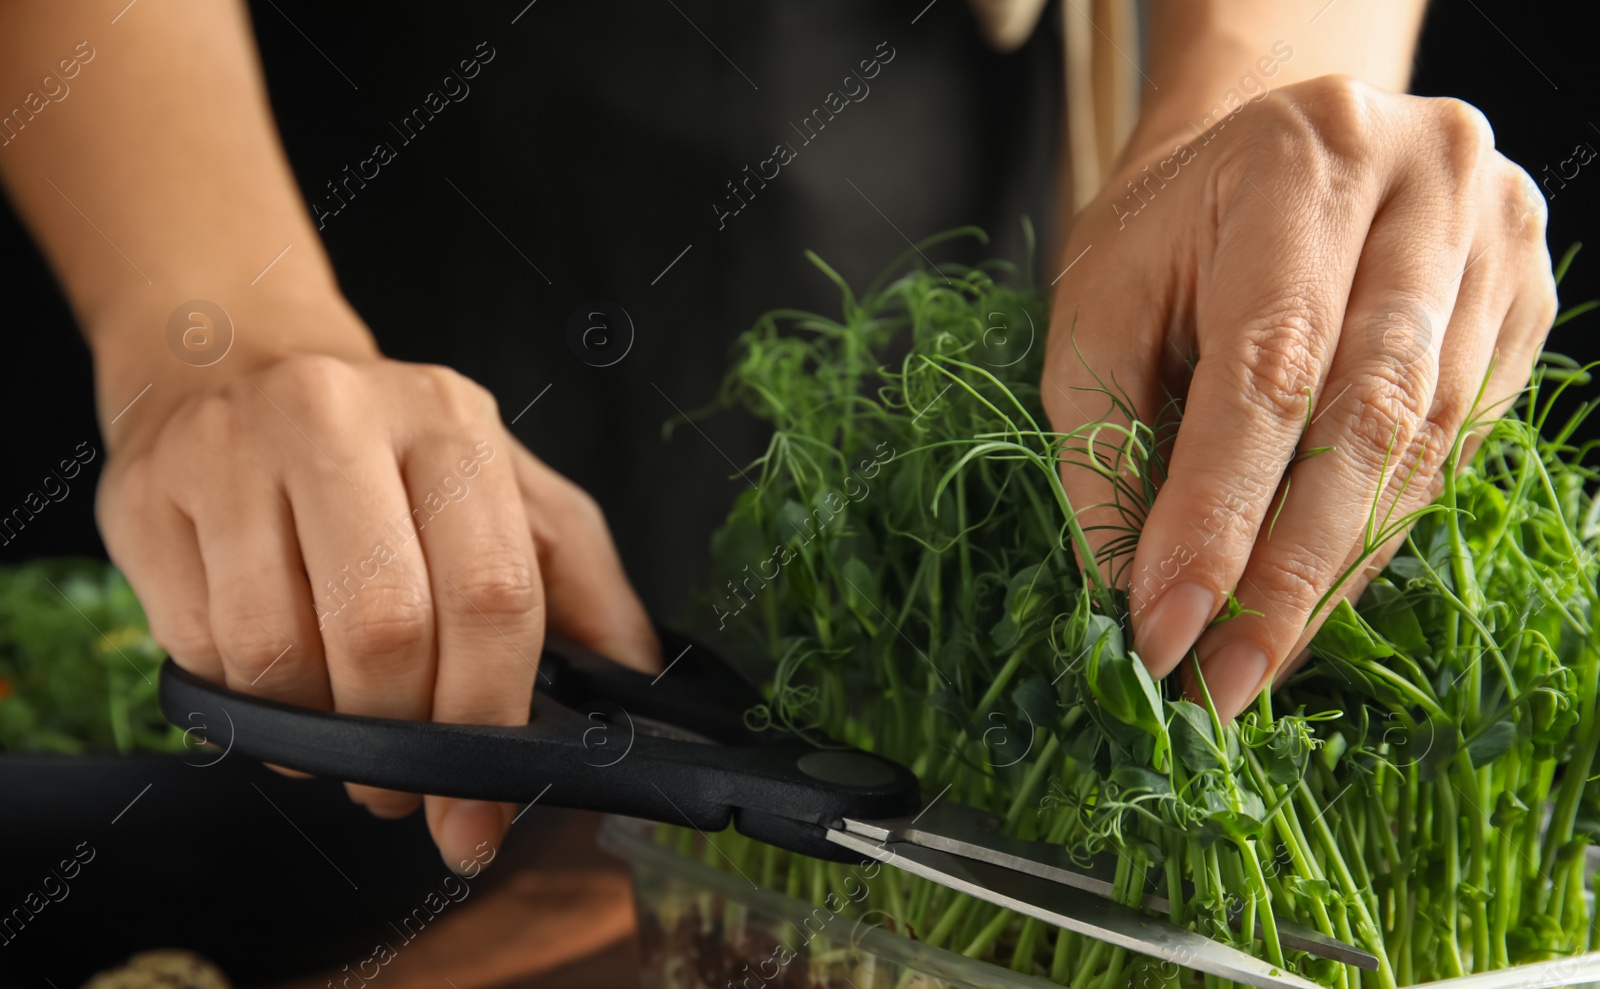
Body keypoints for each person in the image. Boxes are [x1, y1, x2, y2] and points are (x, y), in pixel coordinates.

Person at [0, 0, 1554, 871]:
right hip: (415, 141)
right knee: (401, 696)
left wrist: (1250, 106)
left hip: (988, 149)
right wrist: (217, 317)